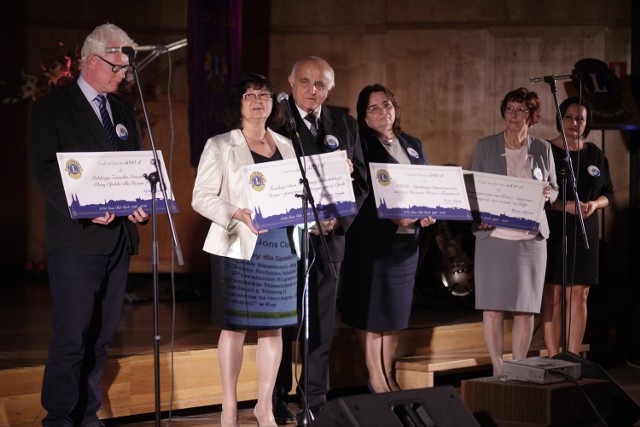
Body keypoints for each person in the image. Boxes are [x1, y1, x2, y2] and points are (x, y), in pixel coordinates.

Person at [28, 23, 149, 426]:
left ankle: (87, 412)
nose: (122, 75)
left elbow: (132, 169)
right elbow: (44, 170)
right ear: (90, 61)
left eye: (126, 70)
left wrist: (139, 204)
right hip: (76, 240)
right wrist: (81, 207)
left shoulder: (123, 110)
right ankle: (59, 417)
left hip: (117, 241)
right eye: (117, 67)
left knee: (101, 336)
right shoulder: (53, 107)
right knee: (72, 336)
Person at [192, 74, 299, 427]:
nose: (258, 101)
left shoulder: (287, 144)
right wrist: (234, 213)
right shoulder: (221, 144)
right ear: (237, 104)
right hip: (238, 243)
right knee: (235, 328)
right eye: (249, 95)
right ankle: (228, 406)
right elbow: (201, 197)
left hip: (280, 245)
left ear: (273, 103)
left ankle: (264, 405)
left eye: (265, 95)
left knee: (274, 329)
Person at [273, 56, 368, 423]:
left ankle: (314, 400)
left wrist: (335, 219)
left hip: (330, 239)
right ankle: (278, 396)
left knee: (321, 323)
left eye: (321, 85)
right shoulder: (275, 121)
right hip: (285, 238)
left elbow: (360, 181)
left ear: (331, 89)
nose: (313, 91)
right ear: (291, 82)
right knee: (282, 324)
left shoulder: (344, 124)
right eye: (306, 82)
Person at [341, 84, 436, 393]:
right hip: (372, 241)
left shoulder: (412, 143)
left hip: (406, 244)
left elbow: (423, 185)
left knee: (394, 313)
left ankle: (389, 374)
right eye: (374, 108)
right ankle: (376, 378)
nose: (383, 112)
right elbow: (359, 195)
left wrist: (428, 210)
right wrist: (391, 215)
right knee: (371, 312)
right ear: (364, 116)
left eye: (387, 104)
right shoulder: (360, 145)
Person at [471, 87, 558, 377]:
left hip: (530, 241)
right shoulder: (485, 145)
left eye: (521, 110)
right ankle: (498, 369)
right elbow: (475, 189)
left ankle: (518, 366)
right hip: (494, 238)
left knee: (525, 310)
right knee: (493, 309)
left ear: (531, 116)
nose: (514, 115)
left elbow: (555, 190)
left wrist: (549, 192)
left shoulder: (543, 148)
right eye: (509, 108)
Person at [541, 97, 613, 356]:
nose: (574, 123)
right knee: (554, 294)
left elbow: (609, 193)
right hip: (555, 230)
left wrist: (594, 205)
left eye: (580, 119)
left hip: (586, 231)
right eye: (569, 117)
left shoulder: (595, 154)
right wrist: (566, 205)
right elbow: (539, 195)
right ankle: (552, 355)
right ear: (560, 119)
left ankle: (572, 357)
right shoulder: (546, 150)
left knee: (579, 296)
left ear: (587, 123)